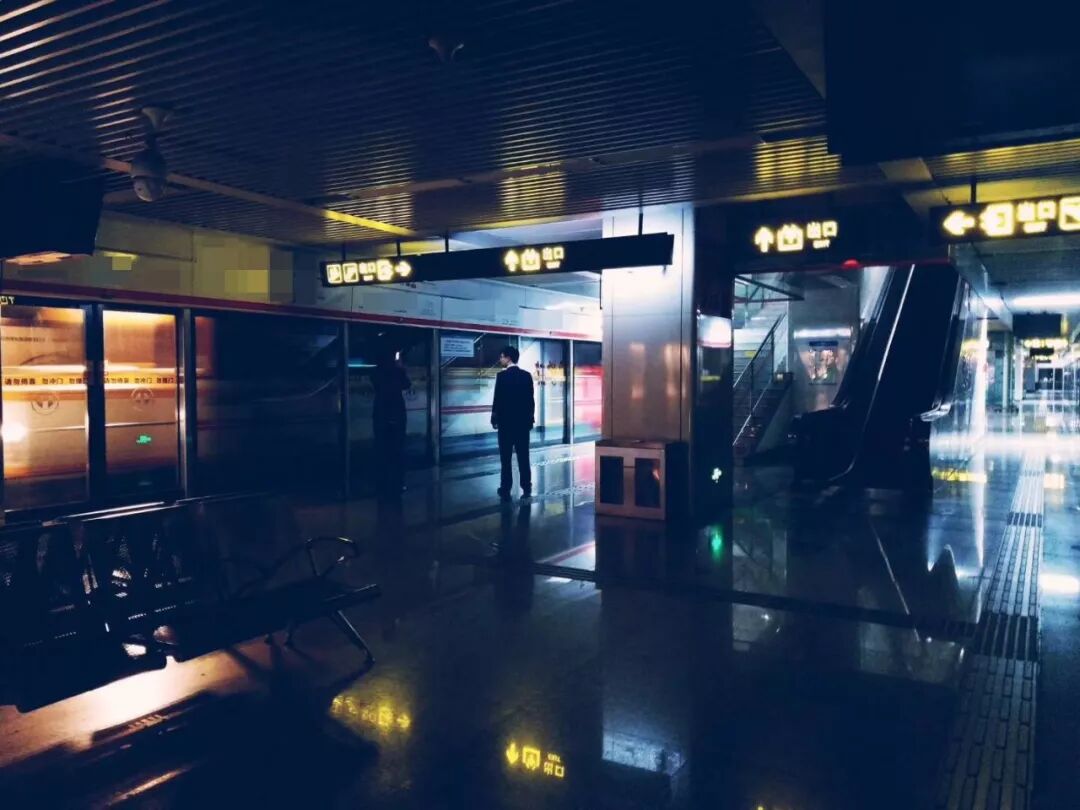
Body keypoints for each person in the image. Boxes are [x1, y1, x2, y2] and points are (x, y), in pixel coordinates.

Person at [491, 345, 534, 500]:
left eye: (502, 356)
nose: (500, 359)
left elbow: (497, 400)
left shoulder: (501, 377)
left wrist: (494, 419)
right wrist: (530, 420)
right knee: (524, 456)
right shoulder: (526, 376)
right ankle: (526, 486)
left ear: (508, 358)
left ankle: (505, 487)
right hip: (522, 425)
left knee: (506, 458)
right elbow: (530, 401)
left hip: (505, 425)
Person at [372, 346, 411, 498]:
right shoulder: (396, 371)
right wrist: (400, 367)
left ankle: (382, 481)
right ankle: (396, 482)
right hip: (396, 413)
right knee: (397, 449)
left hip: (380, 413)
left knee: (382, 448)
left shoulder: (376, 372)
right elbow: (406, 384)